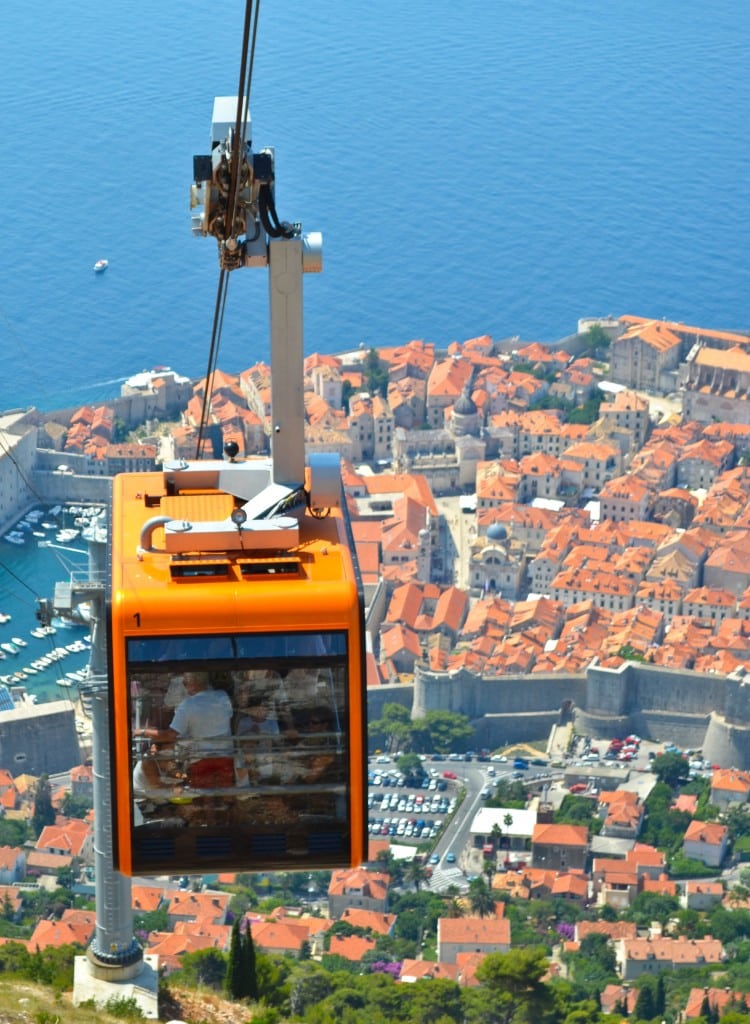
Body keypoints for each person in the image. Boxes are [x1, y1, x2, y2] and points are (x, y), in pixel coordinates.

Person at [135, 671, 234, 788]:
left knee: (203, 797)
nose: (183, 683)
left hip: (200, 759)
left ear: (194, 683)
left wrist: (142, 732)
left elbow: (170, 735)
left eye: (185, 681)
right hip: (225, 755)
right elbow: (229, 718)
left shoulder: (188, 704)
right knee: (223, 793)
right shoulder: (222, 696)